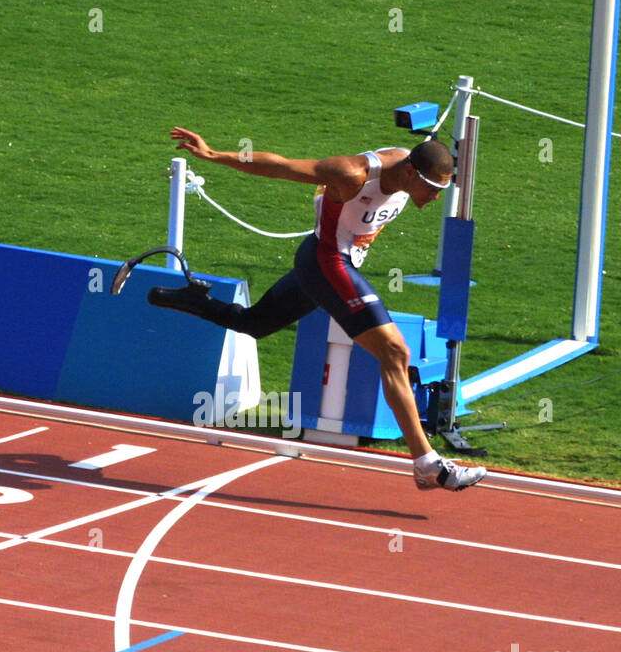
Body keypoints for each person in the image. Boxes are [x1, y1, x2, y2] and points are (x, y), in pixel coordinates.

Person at [146, 126, 486, 492]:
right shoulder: (352, 175)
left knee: (254, 324)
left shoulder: (409, 162)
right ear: (408, 172)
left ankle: (193, 300)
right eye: (432, 189)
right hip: (326, 261)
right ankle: (427, 465)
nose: (435, 199)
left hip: (333, 264)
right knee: (395, 351)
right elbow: (281, 166)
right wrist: (214, 155)